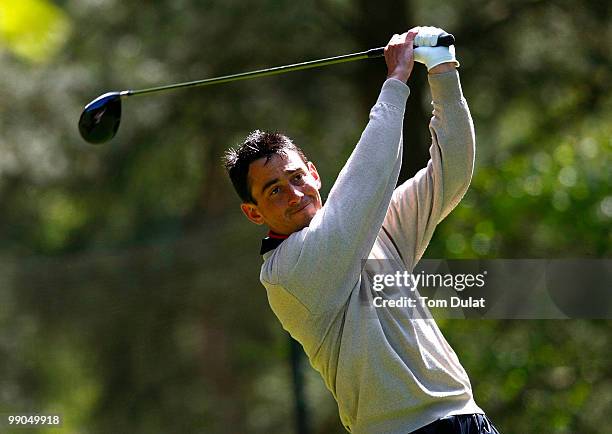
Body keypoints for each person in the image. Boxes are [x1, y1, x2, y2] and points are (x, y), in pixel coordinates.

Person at [223, 26, 501, 434]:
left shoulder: (372, 226)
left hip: (466, 417)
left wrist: (442, 71)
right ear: (254, 213)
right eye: (274, 190)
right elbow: (360, 192)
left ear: (314, 174)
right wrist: (395, 85)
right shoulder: (286, 274)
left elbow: (451, 173)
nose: (294, 194)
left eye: (297, 177)